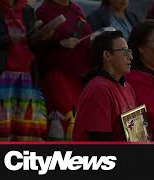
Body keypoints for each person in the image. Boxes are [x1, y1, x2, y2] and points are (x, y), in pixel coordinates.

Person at [0, 0, 47, 141]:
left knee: (25, 134)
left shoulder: (27, 10)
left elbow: (33, 44)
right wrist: (7, 39)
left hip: (25, 79)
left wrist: (43, 37)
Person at [35, 0, 94, 140]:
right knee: (63, 126)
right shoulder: (44, 11)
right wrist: (59, 43)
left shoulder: (76, 9)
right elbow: (35, 44)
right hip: (57, 77)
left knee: (81, 123)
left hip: (80, 78)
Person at [73, 30, 137, 141]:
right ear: (107, 55)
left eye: (129, 51)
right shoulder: (99, 89)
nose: (130, 57)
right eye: (124, 51)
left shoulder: (128, 88)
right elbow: (100, 142)